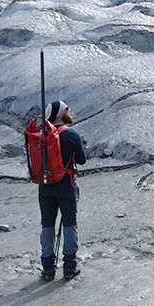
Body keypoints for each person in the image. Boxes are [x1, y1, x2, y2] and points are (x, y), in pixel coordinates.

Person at [38, 99, 87, 281]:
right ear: (60, 113)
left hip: (45, 186)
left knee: (47, 226)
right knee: (69, 224)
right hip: (66, 185)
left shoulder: (41, 135)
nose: (70, 111)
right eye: (67, 109)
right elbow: (81, 160)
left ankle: (48, 269)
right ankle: (69, 268)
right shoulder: (71, 134)